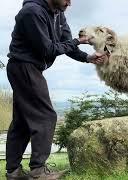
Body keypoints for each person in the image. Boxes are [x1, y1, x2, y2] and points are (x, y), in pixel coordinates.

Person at [5, 0, 106, 179]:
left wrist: (87, 57)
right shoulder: (32, 12)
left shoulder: (58, 13)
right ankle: (38, 171)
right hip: (24, 66)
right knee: (45, 116)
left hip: (28, 68)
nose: (70, 3)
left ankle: (13, 172)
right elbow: (48, 49)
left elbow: (66, 44)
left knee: (22, 121)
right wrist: (78, 41)